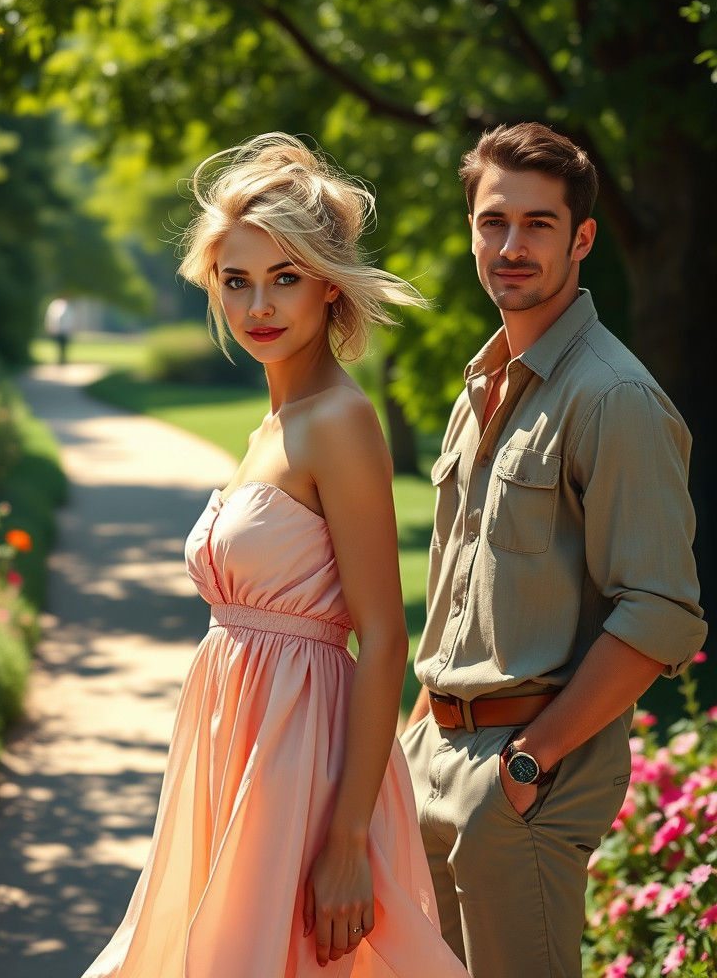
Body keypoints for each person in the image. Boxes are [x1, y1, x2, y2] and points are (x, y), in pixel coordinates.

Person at [82, 134, 469, 977]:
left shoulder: (338, 421)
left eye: (284, 277)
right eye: (236, 280)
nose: (259, 304)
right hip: (234, 742)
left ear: (329, 285)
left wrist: (344, 841)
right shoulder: (274, 426)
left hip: (303, 760)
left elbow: (384, 637)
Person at [400, 122, 707, 978]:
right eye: (493, 222)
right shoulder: (481, 388)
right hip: (435, 757)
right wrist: (411, 743)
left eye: (538, 225)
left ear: (582, 240)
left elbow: (660, 612)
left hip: (523, 773)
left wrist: (528, 766)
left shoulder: (612, 398)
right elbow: (462, 606)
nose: (511, 245)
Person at [44, 295, 75, 364]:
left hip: (61, 329)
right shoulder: (63, 306)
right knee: (61, 346)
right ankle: (61, 359)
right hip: (61, 329)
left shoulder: (57, 305)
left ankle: (61, 359)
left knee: (62, 346)